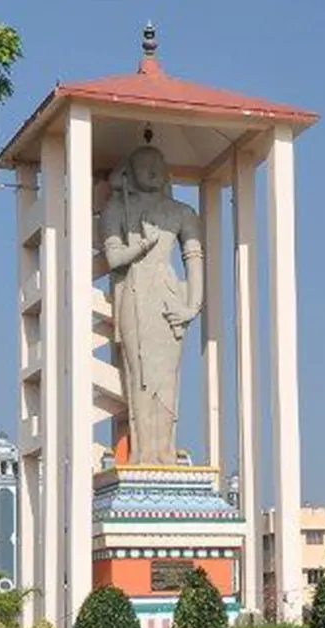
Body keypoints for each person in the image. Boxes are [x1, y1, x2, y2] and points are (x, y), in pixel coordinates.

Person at [99, 144, 204, 465]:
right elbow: (114, 258)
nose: (153, 172)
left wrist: (192, 306)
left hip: (169, 296)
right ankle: (143, 453)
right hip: (134, 292)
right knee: (140, 375)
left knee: (167, 378)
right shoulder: (117, 209)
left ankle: (166, 452)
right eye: (145, 165)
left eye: (158, 165)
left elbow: (194, 258)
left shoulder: (181, 212)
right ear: (131, 171)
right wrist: (140, 245)